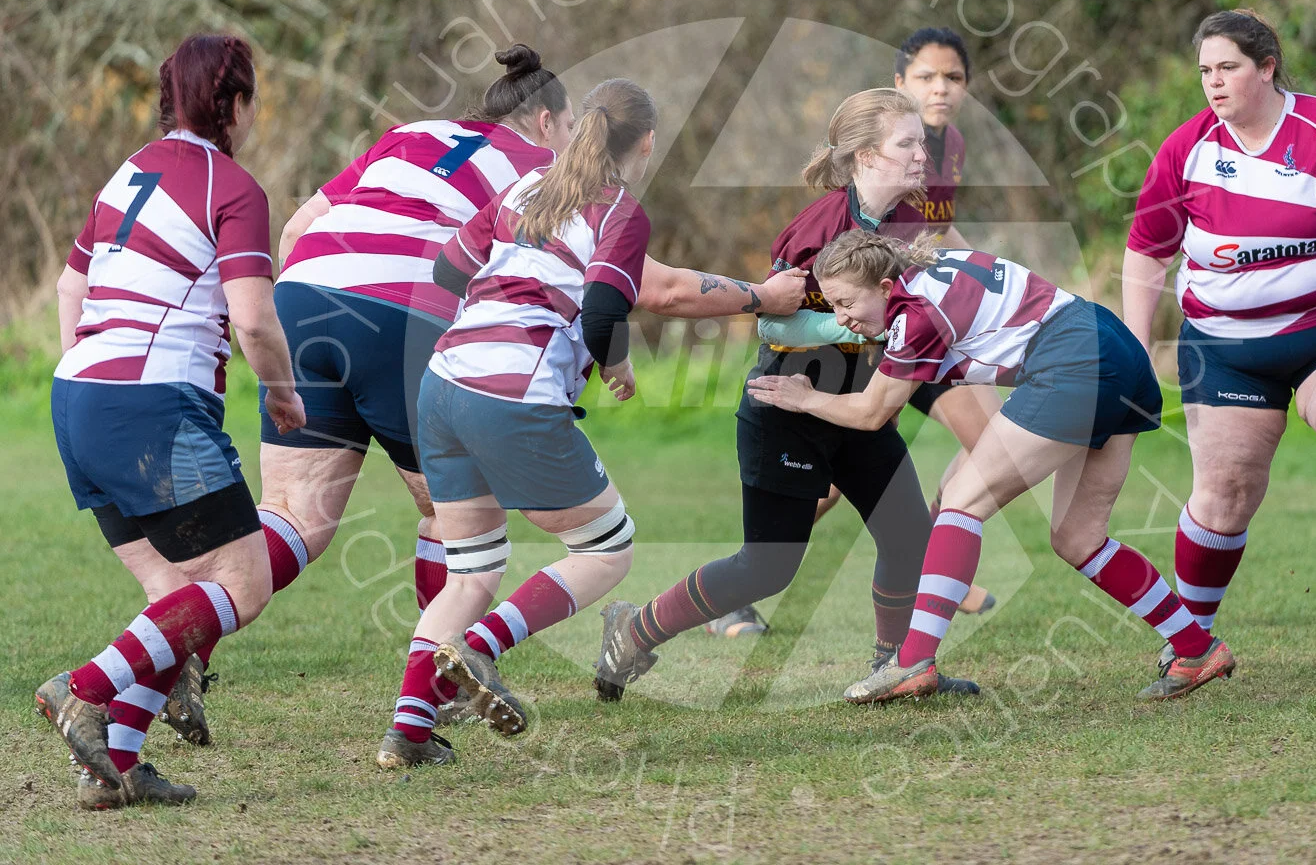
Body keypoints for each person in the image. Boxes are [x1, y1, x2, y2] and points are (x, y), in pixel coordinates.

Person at [173, 48, 806, 745]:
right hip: (411, 323)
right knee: (464, 525)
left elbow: (296, 230)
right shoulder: (546, 174)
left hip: (305, 299)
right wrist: (757, 296)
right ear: (549, 122)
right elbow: (648, 288)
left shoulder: (409, 134)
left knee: (296, 514)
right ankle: (447, 682)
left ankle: (178, 646)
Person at [594, 88, 979, 703]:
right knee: (767, 566)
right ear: (864, 155)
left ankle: (894, 670)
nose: (920, 154)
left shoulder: (912, 221)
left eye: (920, 143)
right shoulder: (818, 227)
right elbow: (773, 324)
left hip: (858, 408)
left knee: (909, 537)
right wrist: (860, 329)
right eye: (906, 143)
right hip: (787, 407)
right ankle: (632, 631)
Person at [747, 231, 1236, 703]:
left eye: (846, 303)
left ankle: (913, 662)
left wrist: (806, 398)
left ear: (884, 286)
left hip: (1073, 359)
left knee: (962, 499)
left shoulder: (914, 313)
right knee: (1079, 539)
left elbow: (872, 412)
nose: (841, 318)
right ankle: (1196, 648)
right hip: (1114, 347)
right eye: (833, 306)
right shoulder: (930, 269)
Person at [37, 33, 306, 809]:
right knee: (243, 585)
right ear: (235, 104)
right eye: (251, 100)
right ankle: (83, 688)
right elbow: (253, 319)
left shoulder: (125, 175)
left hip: (75, 398)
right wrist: (282, 392)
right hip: (152, 408)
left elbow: (68, 289)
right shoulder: (233, 186)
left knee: (176, 598)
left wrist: (94, 379)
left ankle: (116, 767)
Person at [1120, 9, 1316, 661]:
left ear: (1266, 68)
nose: (1213, 82)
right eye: (1205, 71)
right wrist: (1134, 345)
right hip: (1225, 349)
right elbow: (1147, 251)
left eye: (1228, 67)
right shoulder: (1185, 151)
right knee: (1225, 494)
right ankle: (1190, 640)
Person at [375, 78, 661, 768]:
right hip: (514, 394)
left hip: (443, 385)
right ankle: (479, 647)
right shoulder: (620, 211)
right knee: (607, 549)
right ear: (646, 143)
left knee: (470, 571)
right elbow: (603, 310)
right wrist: (617, 362)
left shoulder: (525, 189)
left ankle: (409, 732)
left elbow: (448, 270)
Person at [706, 27, 998, 638]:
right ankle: (752, 580)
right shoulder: (830, 219)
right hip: (833, 365)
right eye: (926, 77)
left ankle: (930, 572)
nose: (940, 89)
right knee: (821, 502)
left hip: (894, 345)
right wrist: (860, 328)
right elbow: (774, 317)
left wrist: (986, 283)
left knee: (979, 448)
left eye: (953, 77)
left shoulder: (942, 157)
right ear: (899, 87)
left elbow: (934, 240)